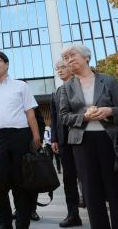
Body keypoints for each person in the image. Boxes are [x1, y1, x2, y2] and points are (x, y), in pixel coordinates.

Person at [60, 44, 118, 229]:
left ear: (86, 57)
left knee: (117, 188)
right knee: (91, 192)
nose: (69, 59)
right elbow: (64, 117)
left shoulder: (108, 80)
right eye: (66, 57)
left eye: (72, 55)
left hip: (110, 140)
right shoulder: (66, 88)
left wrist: (109, 110)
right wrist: (83, 117)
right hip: (82, 143)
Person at [0, 51, 41, 229]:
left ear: (6, 64)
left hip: (21, 137)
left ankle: (23, 223)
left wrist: (36, 136)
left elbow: (31, 114)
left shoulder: (21, 86)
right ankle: (5, 223)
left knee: (21, 182)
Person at [50, 59, 82, 227]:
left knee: (87, 176)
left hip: (83, 139)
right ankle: (73, 214)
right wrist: (54, 139)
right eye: (57, 68)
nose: (60, 70)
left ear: (71, 68)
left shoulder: (81, 87)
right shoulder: (57, 92)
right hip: (64, 142)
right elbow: (55, 118)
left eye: (63, 67)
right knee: (69, 179)